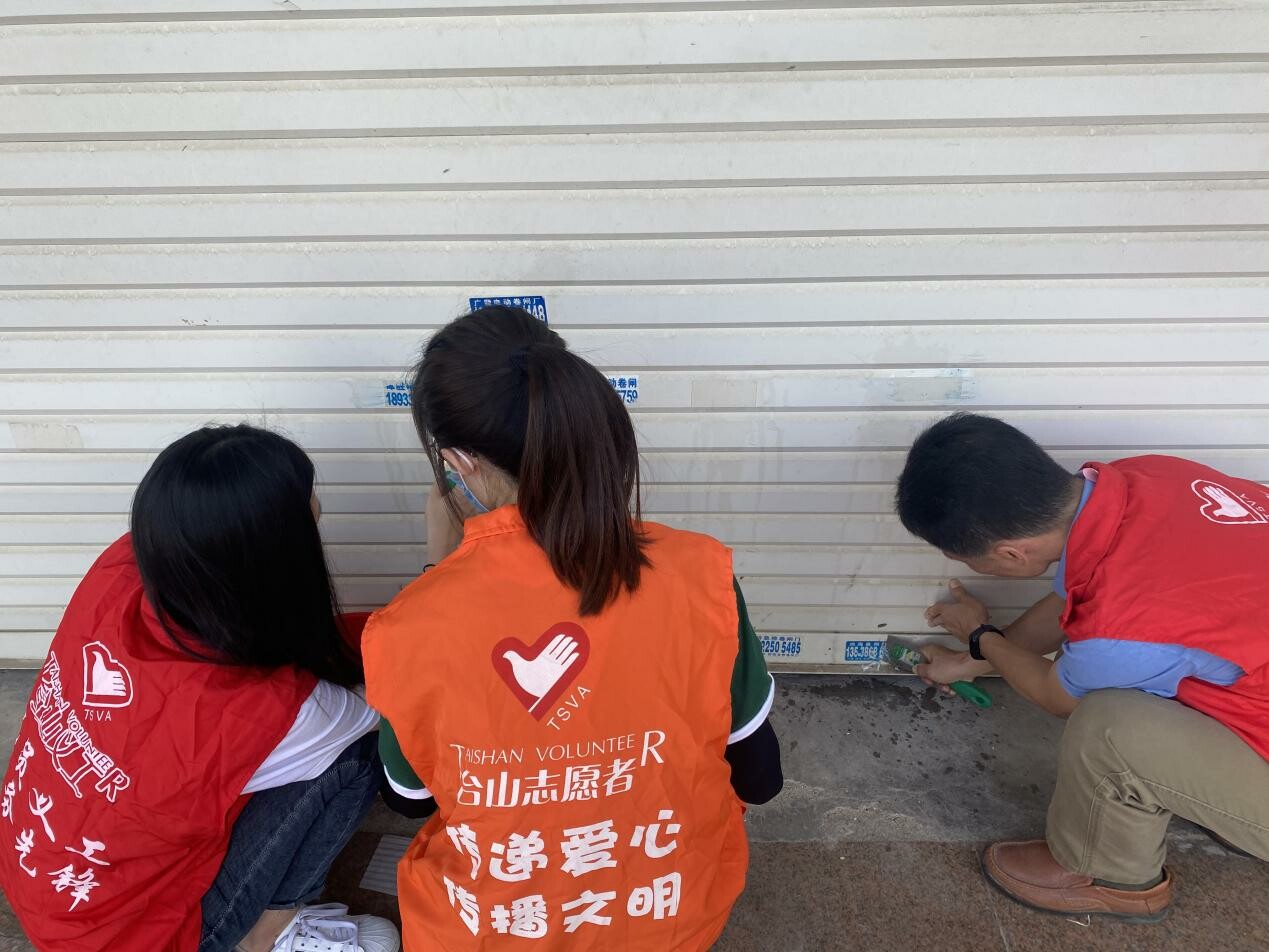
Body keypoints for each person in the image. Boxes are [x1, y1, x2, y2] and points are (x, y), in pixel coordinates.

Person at [363, 306, 782, 951]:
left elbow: (411, 800)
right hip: (671, 917)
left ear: (458, 462)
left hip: (496, 933)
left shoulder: (408, 627)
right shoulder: (701, 575)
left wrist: (438, 572)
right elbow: (760, 777)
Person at [0, 425, 399, 952]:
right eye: (309, 513)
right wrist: (437, 592)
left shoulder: (123, 566)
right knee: (359, 755)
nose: (319, 509)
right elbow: (387, 701)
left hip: (41, 875)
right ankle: (268, 934)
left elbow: (301, 642)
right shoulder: (268, 712)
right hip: (135, 938)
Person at [895, 412, 1269, 923]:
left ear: (1012, 554)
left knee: (1108, 728)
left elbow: (1056, 695)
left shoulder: (1125, 619)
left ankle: (1107, 874)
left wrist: (980, 635)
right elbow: (1072, 599)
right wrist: (971, 663)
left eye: (969, 561)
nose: (971, 568)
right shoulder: (1145, 478)